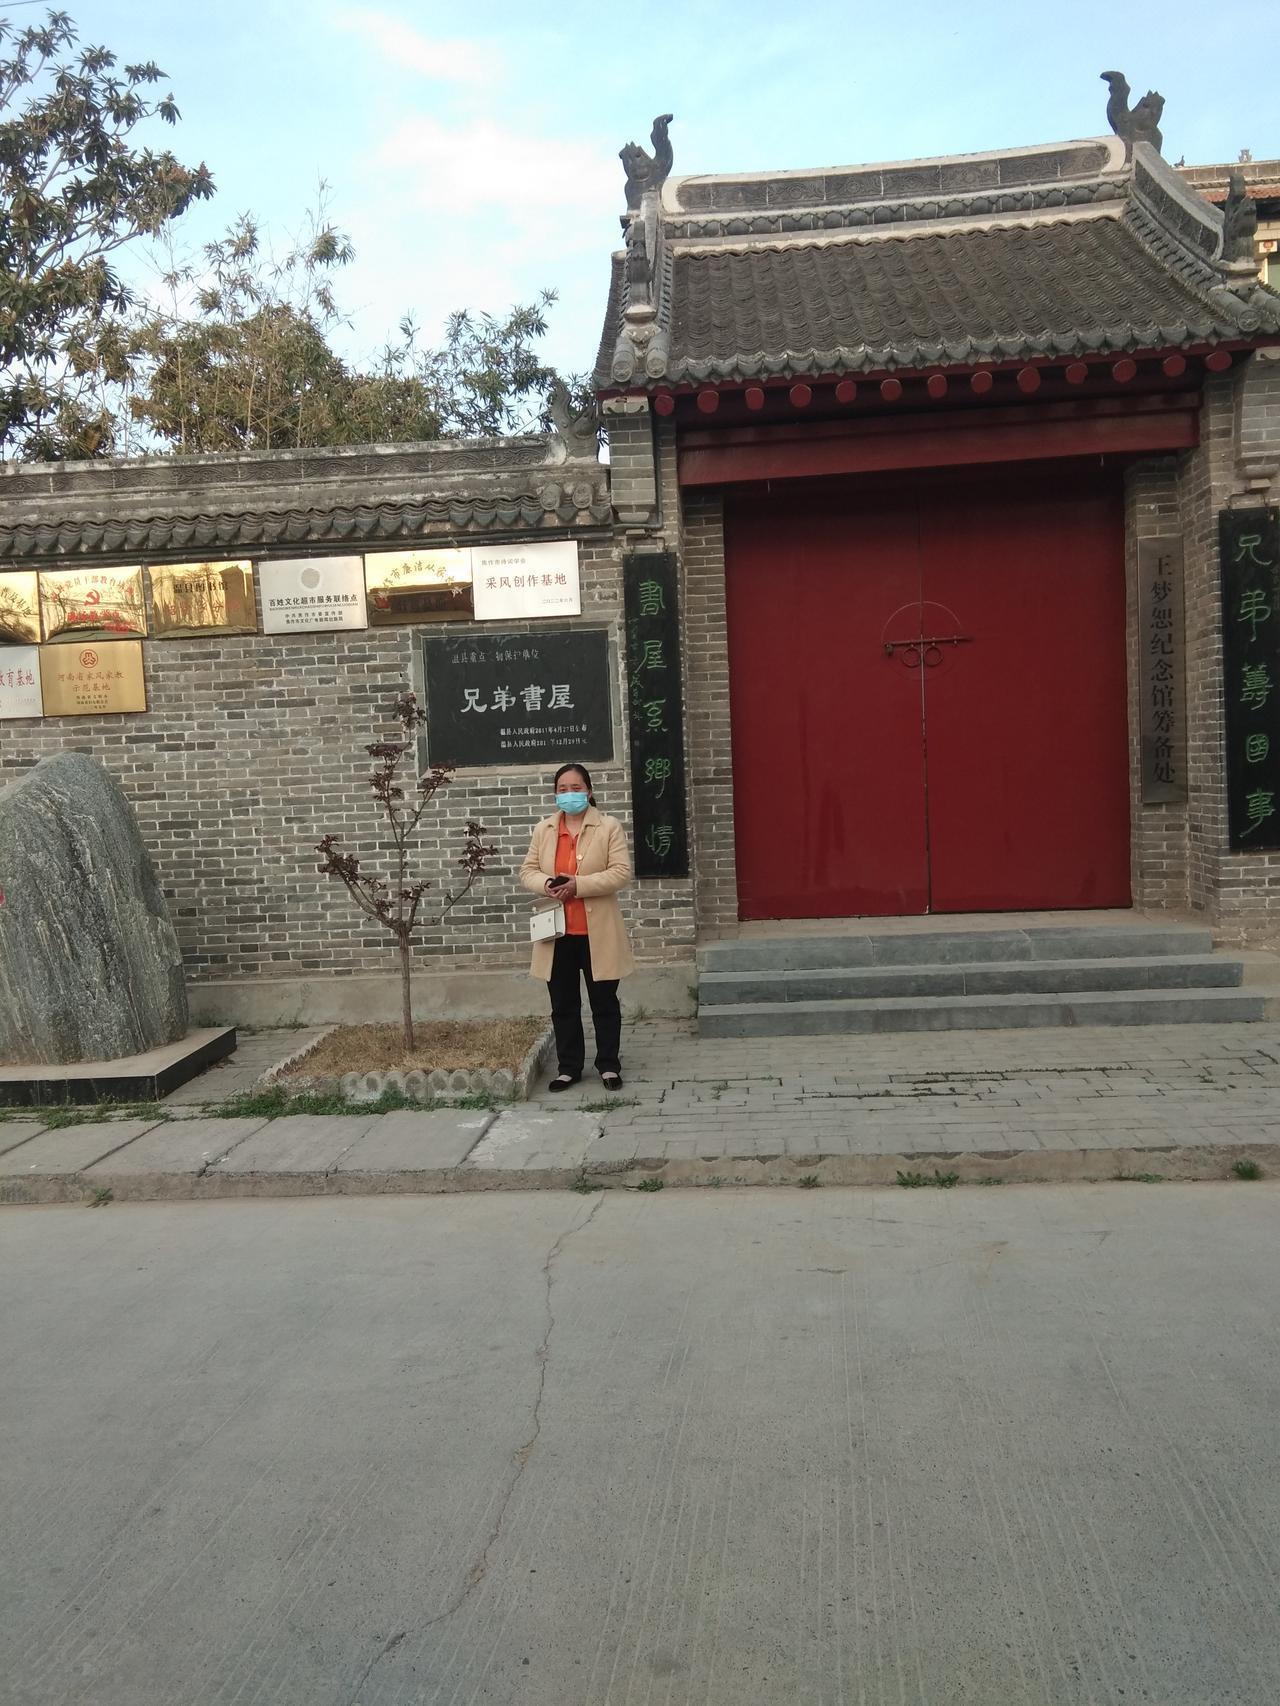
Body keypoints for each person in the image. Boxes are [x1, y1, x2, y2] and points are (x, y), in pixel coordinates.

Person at [519, 762, 635, 1091]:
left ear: (589, 791)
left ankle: (608, 1065)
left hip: (597, 932)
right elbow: (527, 871)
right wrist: (547, 884)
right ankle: (569, 1067)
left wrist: (578, 885)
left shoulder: (608, 827)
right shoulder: (544, 829)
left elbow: (620, 872)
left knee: (604, 1002)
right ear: (555, 794)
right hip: (557, 932)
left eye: (576, 788)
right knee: (563, 1004)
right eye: (562, 789)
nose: (569, 794)